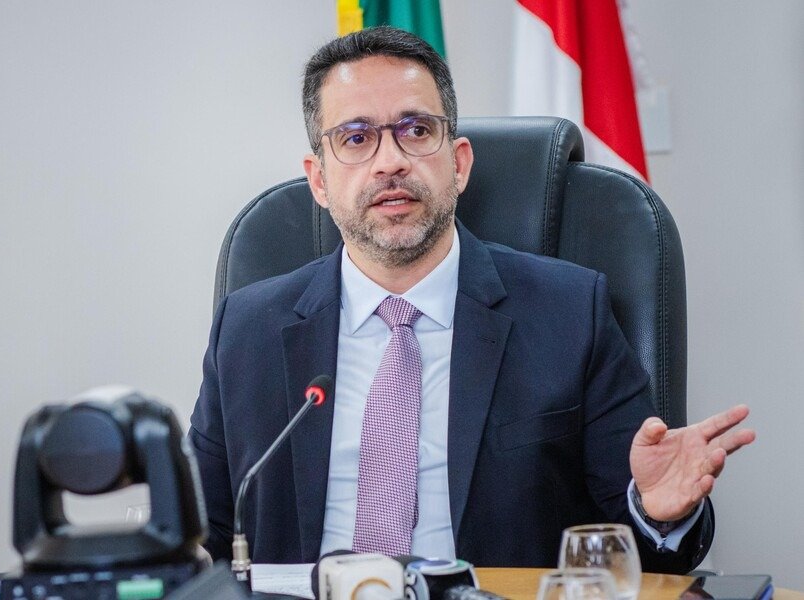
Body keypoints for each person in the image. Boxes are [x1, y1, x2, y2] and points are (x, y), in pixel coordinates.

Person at [189, 26, 754, 572]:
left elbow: (639, 547)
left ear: (458, 163)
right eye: (356, 139)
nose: (390, 161)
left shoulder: (569, 313)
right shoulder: (247, 330)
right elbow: (200, 538)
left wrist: (656, 512)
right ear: (319, 180)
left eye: (416, 130)